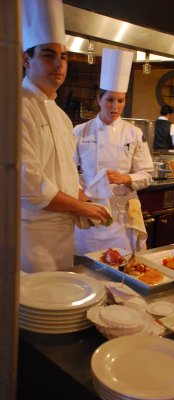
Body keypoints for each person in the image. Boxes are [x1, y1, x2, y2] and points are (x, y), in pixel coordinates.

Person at [21, 0, 110, 273]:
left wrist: (84, 199)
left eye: (64, 56)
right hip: (30, 239)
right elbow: (29, 184)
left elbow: (65, 173)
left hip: (63, 236)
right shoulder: (15, 107)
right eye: (49, 55)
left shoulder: (60, 115)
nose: (59, 63)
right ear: (27, 60)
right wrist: (82, 208)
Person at [74, 48, 154, 255]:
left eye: (120, 100)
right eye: (110, 99)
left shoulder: (134, 134)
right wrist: (80, 197)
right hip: (92, 212)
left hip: (123, 216)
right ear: (99, 99)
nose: (115, 107)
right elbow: (67, 171)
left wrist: (125, 178)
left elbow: (147, 174)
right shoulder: (80, 132)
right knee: (90, 268)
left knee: (125, 269)